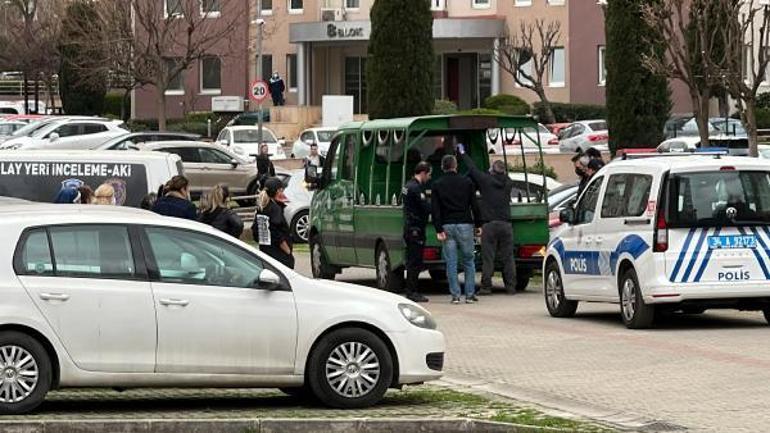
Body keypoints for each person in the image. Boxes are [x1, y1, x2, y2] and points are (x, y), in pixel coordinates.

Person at [458, 145, 517, 295]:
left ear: (492, 170)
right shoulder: (508, 183)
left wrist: (463, 152)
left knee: (488, 257)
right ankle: (511, 286)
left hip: (490, 225)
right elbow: (505, 177)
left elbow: (472, 169)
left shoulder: (485, 181)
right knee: (508, 257)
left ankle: (486, 286)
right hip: (506, 225)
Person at [431, 155, 482, 304]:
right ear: (455, 166)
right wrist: (478, 224)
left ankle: (455, 296)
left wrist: (438, 228)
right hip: (465, 224)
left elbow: (435, 209)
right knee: (468, 260)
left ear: (442, 167)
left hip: (447, 225)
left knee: (451, 262)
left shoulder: (437, 184)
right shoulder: (467, 183)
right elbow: (474, 205)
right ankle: (470, 294)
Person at [401, 162, 432, 303]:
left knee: (411, 261)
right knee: (415, 261)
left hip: (409, 227)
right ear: (423, 173)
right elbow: (425, 207)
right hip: (416, 228)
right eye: (429, 174)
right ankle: (412, 291)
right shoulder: (416, 189)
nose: (429, 178)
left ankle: (410, 289)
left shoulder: (407, 186)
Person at [253, 177, 294, 268]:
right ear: (277, 191)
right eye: (281, 190)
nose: (283, 193)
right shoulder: (275, 209)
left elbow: (255, 231)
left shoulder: (262, 208)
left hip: (265, 253)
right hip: (279, 255)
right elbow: (276, 232)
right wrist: (287, 250)